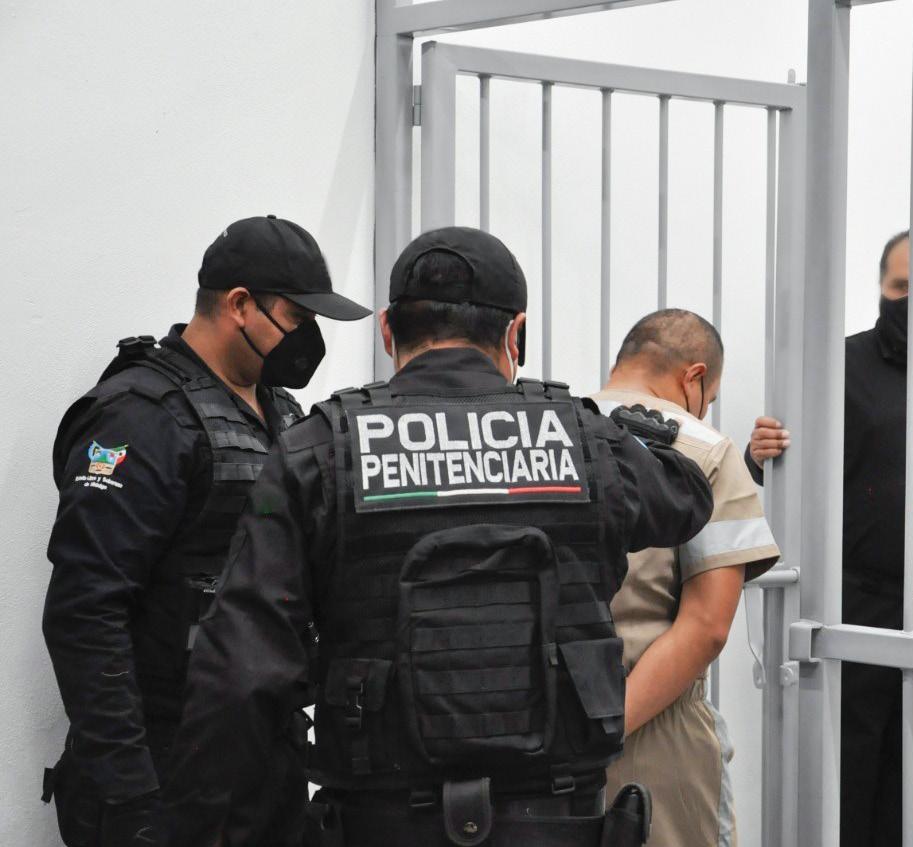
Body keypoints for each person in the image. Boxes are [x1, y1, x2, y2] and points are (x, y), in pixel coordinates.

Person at [163, 226, 715, 847]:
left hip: (379, 823)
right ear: (515, 334)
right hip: (557, 820)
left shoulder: (317, 450)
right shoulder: (586, 440)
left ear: (388, 332)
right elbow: (685, 502)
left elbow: (240, 673)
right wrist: (639, 433)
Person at [41, 215, 372, 847]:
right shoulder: (142, 417)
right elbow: (86, 612)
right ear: (240, 305)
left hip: (263, 757)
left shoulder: (282, 413)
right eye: (297, 317)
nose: (309, 337)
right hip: (163, 765)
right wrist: (131, 795)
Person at [748, 227, 913, 847]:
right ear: (881, 287)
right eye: (900, 286)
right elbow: (781, 466)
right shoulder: (836, 367)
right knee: (848, 781)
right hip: (855, 606)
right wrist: (758, 454)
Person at [591, 309, 778, 847]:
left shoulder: (548, 430)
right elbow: (707, 628)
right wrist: (603, 732)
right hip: (655, 729)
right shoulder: (704, 450)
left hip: (543, 728)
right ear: (693, 377)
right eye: (709, 397)